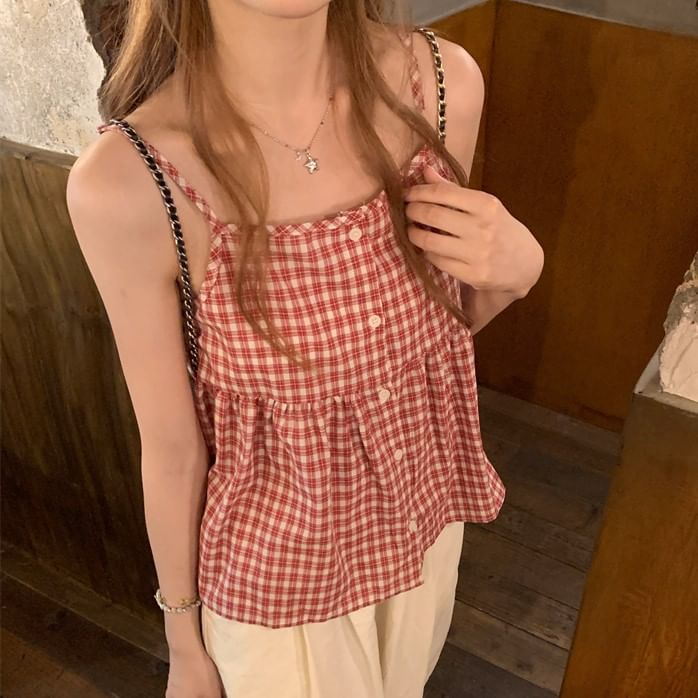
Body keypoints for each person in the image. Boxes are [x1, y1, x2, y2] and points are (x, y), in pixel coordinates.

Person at [66, 1, 544, 696]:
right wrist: (185, 645)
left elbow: (422, 345)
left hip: (422, 525)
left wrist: (518, 273)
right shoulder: (130, 181)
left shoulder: (442, 88)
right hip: (277, 587)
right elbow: (173, 448)